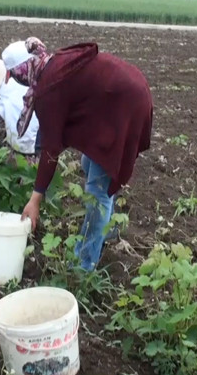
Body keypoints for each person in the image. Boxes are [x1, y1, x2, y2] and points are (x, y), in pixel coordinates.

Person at [14, 37, 153, 271]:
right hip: (129, 91)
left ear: (22, 71)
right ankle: (108, 229)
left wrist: (35, 198)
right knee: (90, 162)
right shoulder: (53, 64)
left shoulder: (48, 87)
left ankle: (83, 265)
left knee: (97, 191)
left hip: (125, 105)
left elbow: (51, 149)